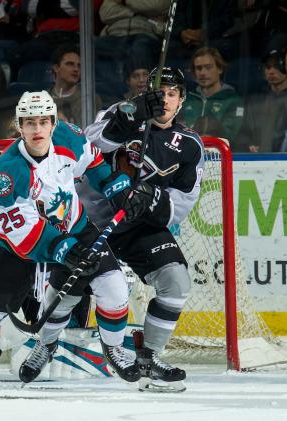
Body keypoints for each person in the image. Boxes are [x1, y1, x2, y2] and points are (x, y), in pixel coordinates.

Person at [0, 91, 147, 397]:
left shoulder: (70, 137)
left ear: (53, 123)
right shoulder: (8, 171)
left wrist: (116, 186)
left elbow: (93, 162)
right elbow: (23, 230)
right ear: (20, 126)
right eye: (29, 123)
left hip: (75, 228)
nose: (37, 129)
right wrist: (63, 248)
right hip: (18, 244)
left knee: (114, 289)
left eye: (43, 122)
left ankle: (112, 348)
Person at [83, 67, 202, 390]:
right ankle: (50, 346)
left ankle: (148, 356)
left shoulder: (190, 145)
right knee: (73, 287)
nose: (164, 98)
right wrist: (130, 117)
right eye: (159, 91)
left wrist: (152, 200)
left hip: (140, 226)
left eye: (172, 93)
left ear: (181, 102)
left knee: (176, 281)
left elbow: (183, 202)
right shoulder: (120, 113)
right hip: (92, 220)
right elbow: (87, 146)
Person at [182, 47, 244, 143]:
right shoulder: (186, 100)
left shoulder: (233, 100)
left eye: (208, 67)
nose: (202, 73)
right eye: (199, 68)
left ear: (220, 69)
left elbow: (231, 136)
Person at [236, 50, 287, 153]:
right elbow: (244, 132)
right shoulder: (256, 101)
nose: (271, 71)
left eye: (276, 66)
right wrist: (249, 145)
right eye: (268, 67)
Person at [48, 44, 102, 126]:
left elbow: (90, 132)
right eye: (70, 64)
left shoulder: (90, 100)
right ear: (56, 68)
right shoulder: (43, 98)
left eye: (79, 65)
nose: (76, 69)